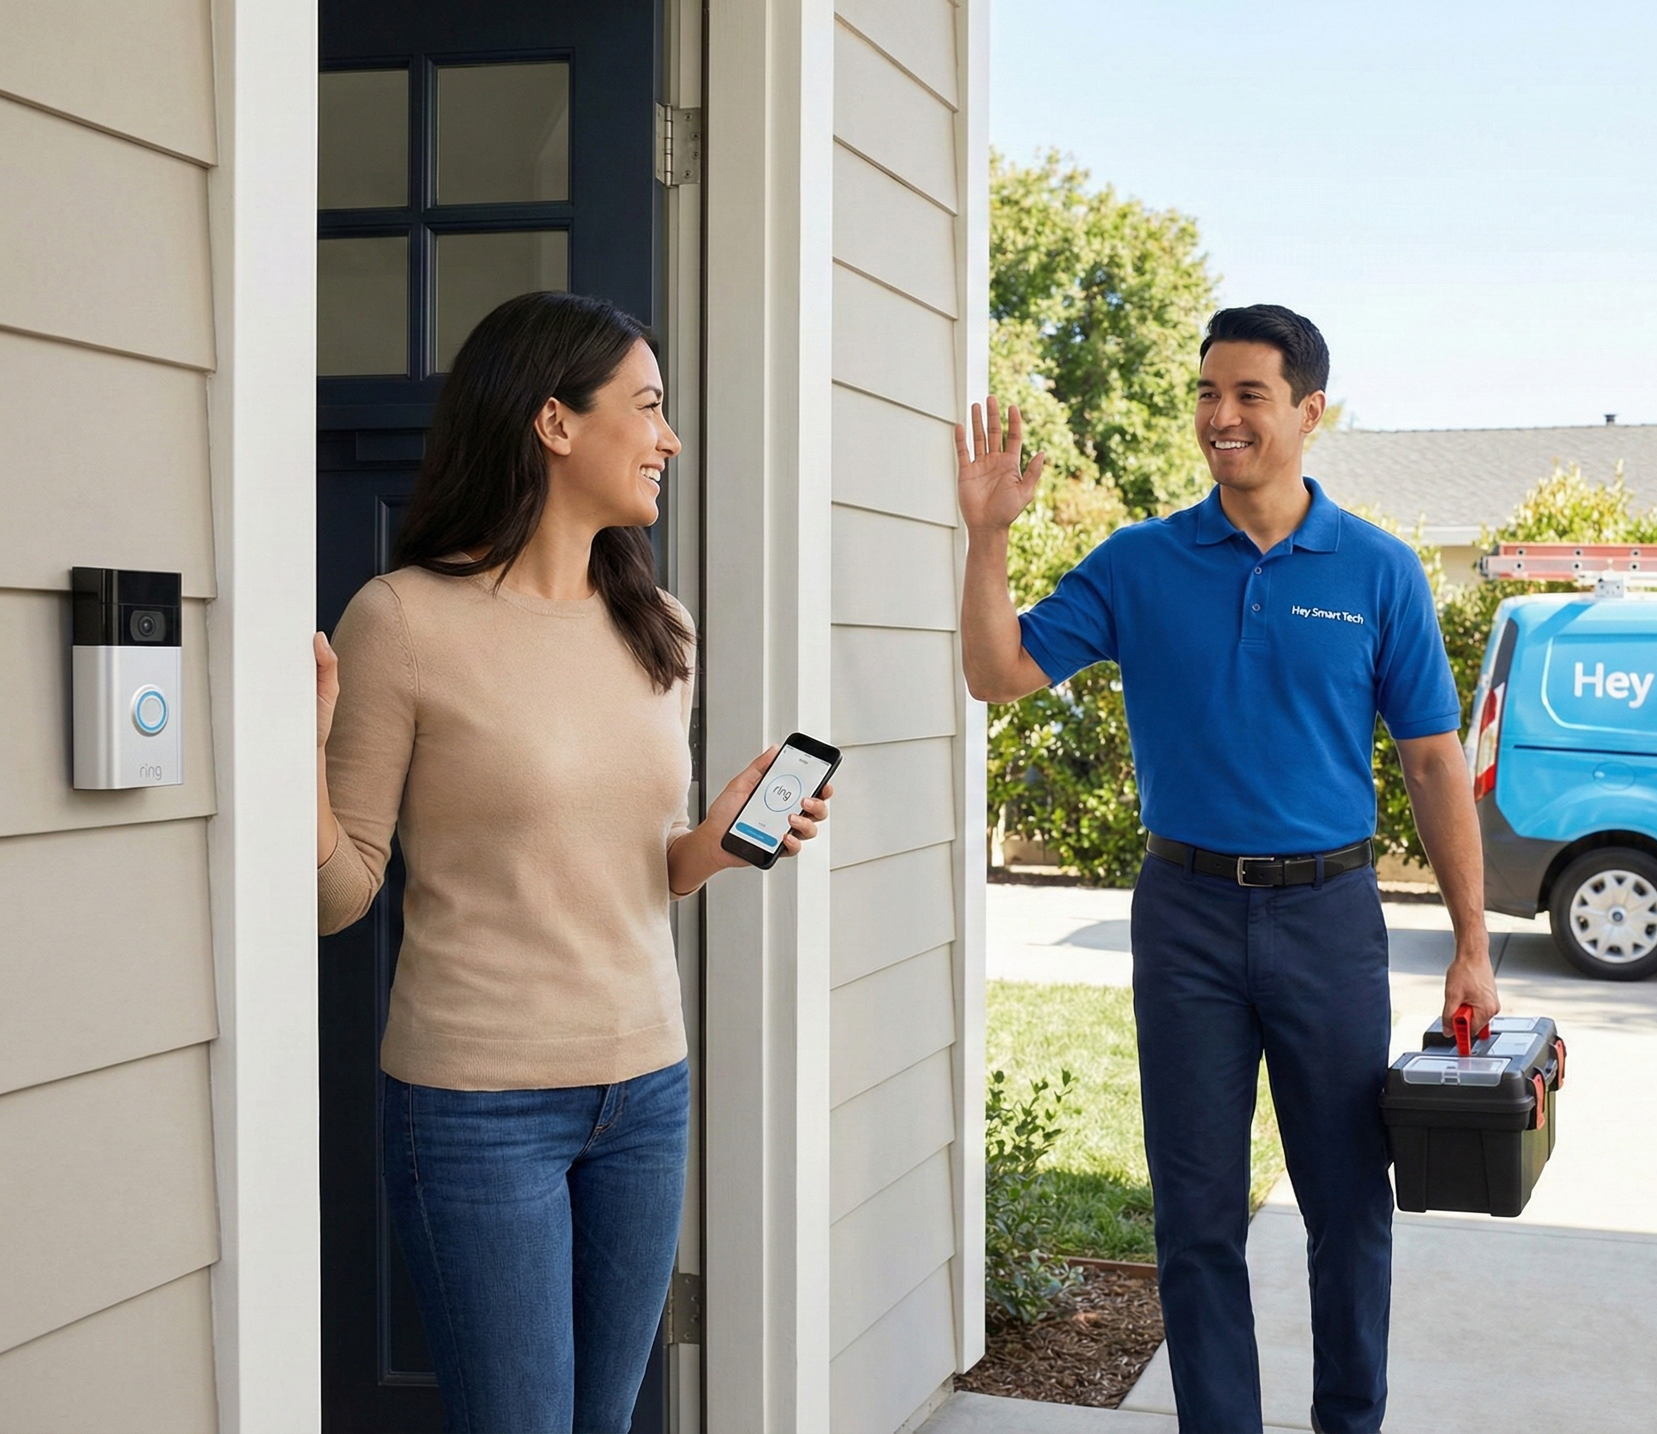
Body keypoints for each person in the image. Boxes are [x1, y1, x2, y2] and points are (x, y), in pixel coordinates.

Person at [955, 303, 1498, 1434]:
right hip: (1187, 916)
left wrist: (1473, 941)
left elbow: (1437, 764)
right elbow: (999, 673)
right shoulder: (1142, 563)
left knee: (1348, 1207)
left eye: (1249, 394)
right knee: (1194, 1214)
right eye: (1208, 392)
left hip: (1330, 915)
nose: (1222, 416)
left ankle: (1348, 1422)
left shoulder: (1378, 570)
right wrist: (989, 535)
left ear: (1310, 411)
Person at [314, 291, 831, 1434]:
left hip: (646, 1086)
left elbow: (633, 866)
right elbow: (340, 894)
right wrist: (300, 763)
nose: (669, 439)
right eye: (647, 408)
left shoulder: (663, 627)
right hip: (474, 1104)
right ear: (554, 421)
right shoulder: (400, 621)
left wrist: (717, 845)